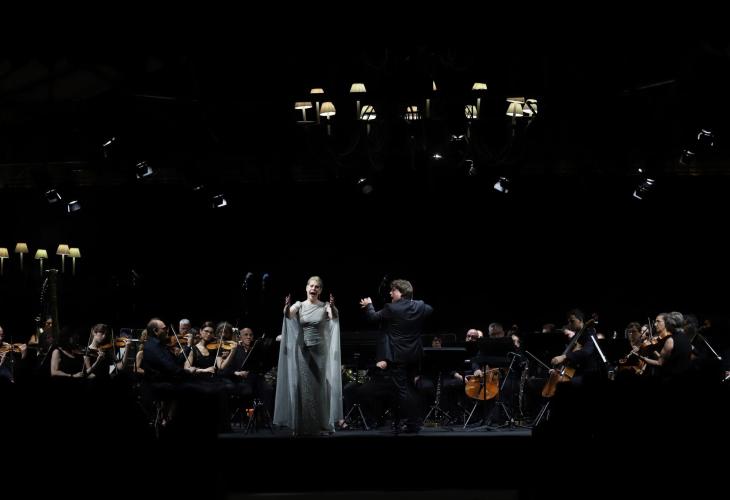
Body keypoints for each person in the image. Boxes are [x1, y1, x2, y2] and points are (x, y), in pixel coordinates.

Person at [360, 278, 433, 433]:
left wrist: (369, 305)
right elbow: (429, 309)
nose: (390, 293)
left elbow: (373, 317)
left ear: (402, 292)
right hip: (415, 355)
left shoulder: (391, 308)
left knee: (402, 390)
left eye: (393, 290)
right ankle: (413, 422)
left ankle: (413, 423)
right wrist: (413, 305)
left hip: (398, 356)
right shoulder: (420, 306)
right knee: (412, 388)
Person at [273, 276, 342, 436]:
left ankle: (321, 424)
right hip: (303, 351)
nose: (313, 289)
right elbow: (288, 315)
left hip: (320, 352)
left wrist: (333, 307)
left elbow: (333, 316)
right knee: (303, 386)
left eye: (317, 287)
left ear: (320, 290)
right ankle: (303, 425)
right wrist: (286, 306)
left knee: (319, 387)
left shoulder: (325, 305)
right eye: (311, 286)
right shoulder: (299, 305)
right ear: (306, 288)